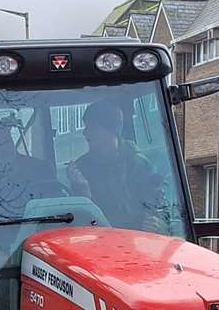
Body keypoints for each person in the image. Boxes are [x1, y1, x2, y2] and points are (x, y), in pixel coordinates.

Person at [66, 99, 170, 233]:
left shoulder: (139, 164)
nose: (85, 133)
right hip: (97, 240)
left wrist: (157, 223)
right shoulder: (81, 169)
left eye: (91, 127)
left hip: (136, 241)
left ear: (110, 130)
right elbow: (79, 221)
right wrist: (82, 191)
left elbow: (158, 206)